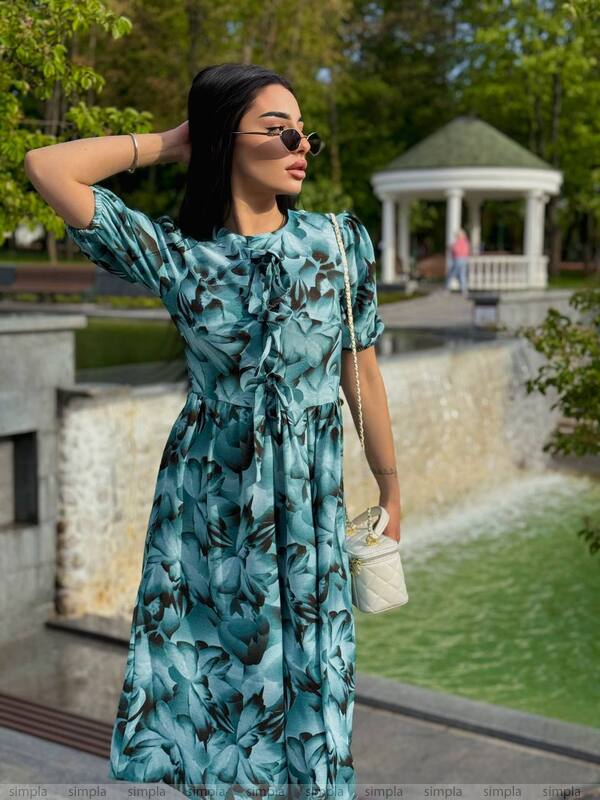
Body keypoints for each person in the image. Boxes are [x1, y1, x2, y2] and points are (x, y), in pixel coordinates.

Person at [24, 64, 400, 797]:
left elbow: (365, 373)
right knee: (219, 693)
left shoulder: (337, 243)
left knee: (317, 683)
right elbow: (48, 167)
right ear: (226, 138)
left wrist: (391, 484)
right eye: (278, 128)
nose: (300, 144)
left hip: (310, 509)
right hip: (209, 515)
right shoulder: (178, 254)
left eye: (305, 133)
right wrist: (170, 142)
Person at [446, 227, 470, 296]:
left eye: (457, 235)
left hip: (458, 260)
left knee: (452, 274)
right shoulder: (465, 242)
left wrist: (451, 248)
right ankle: (464, 289)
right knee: (461, 275)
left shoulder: (460, 243)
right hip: (462, 260)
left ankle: (447, 288)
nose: (456, 237)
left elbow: (456, 250)